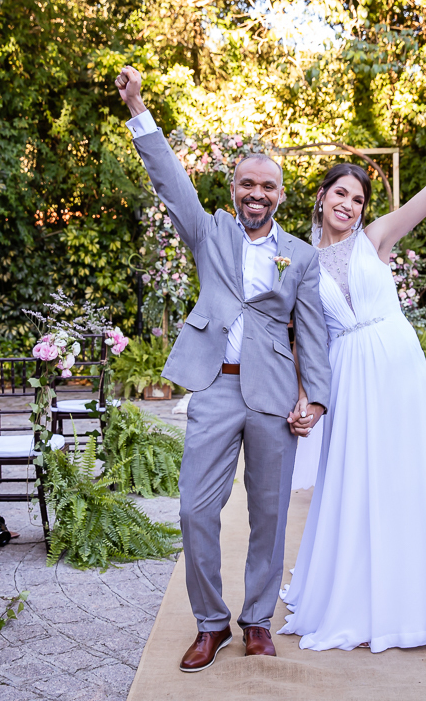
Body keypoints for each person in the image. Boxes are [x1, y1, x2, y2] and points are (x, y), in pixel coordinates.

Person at [115, 67, 332, 672]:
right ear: (233, 188)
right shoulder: (209, 231)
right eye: (246, 184)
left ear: (282, 195)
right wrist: (139, 111)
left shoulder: (303, 256)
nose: (256, 194)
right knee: (194, 510)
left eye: (268, 186)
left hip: (274, 395)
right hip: (215, 385)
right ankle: (210, 624)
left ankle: (256, 620)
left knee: (269, 513)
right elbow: (169, 179)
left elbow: (312, 335)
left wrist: (314, 400)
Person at [278, 132, 426, 651]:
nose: (349, 206)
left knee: (400, 478)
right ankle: (354, 596)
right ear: (321, 196)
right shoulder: (299, 262)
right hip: (346, 373)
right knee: (353, 478)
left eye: (358, 199)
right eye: (341, 194)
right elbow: (300, 339)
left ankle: (406, 599)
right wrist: (301, 396)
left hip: (397, 366)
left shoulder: (375, 239)